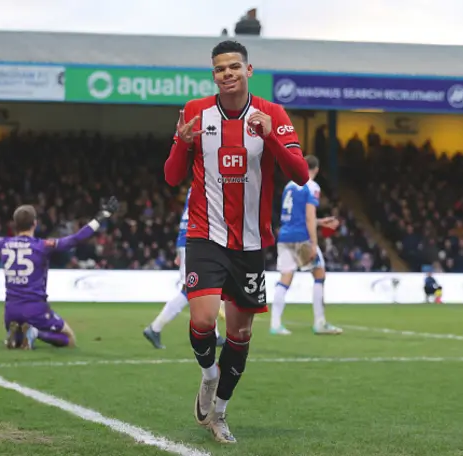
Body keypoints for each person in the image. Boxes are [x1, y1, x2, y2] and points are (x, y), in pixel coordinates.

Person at [164, 39, 309, 444]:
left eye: (233, 67)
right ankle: (208, 376)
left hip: (249, 243)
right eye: (219, 69)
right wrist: (181, 142)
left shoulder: (272, 114)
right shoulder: (195, 113)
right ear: (214, 75)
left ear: (249, 70)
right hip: (204, 235)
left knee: (241, 335)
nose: (226, 73)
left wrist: (273, 138)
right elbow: (172, 177)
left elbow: (300, 174)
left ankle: (221, 412)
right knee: (205, 320)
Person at [0, 196, 118, 349]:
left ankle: (17, 335)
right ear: (35, 223)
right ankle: (36, 333)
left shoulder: (2, 244)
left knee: (19, 328)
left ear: (15, 225)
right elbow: (76, 239)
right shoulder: (43, 246)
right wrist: (101, 216)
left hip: (10, 311)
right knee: (69, 339)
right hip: (36, 309)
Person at [143, 188, 225, 349]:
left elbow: (188, 216)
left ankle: (213, 335)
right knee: (191, 291)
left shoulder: (197, 185)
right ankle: (154, 328)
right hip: (196, 243)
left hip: (189, 242)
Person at [270, 155, 343, 335]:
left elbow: (298, 216)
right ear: (316, 169)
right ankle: (319, 322)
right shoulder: (312, 186)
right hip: (302, 238)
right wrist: (314, 242)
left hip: (285, 235)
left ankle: (275, 324)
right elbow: (308, 217)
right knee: (319, 274)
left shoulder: (289, 186)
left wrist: (320, 222)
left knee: (285, 277)